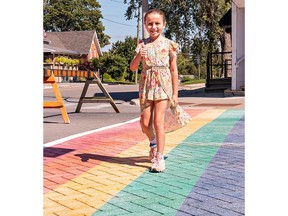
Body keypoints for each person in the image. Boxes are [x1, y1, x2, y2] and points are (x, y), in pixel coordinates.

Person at [130, 9, 191, 172]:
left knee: (158, 122)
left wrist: (175, 94)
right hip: (146, 85)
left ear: (164, 24)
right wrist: (138, 55)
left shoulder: (169, 45)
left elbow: (173, 70)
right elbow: (132, 68)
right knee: (144, 123)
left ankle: (159, 157)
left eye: (157, 23)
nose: (154, 27)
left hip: (163, 86)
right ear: (145, 25)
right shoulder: (142, 44)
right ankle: (153, 144)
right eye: (150, 23)